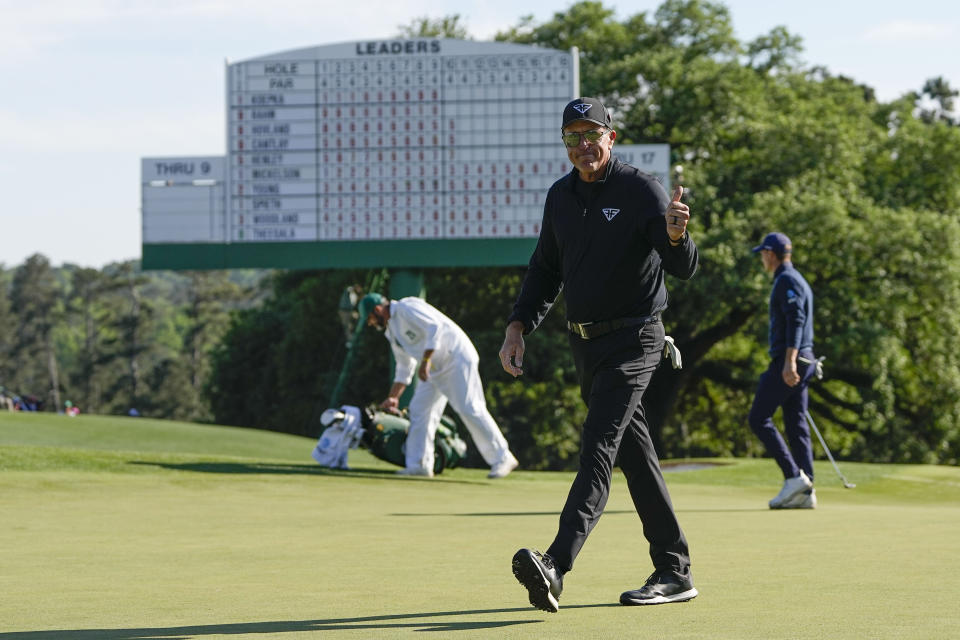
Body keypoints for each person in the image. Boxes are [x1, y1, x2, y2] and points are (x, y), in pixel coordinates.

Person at [498, 97, 699, 612]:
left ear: (611, 137)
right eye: (573, 137)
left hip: (635, 340)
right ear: (565, 144)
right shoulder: (560, 197)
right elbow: (545, 269)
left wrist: (677, 236)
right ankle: (674, 571)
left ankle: (557, 564)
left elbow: (681, 265)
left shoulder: (639, 190)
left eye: (592, 135)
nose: (583, 145)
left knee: (599, 446)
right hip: (586, 344)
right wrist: (518, 326)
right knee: (635, 454)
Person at [357, 292, 519, 479]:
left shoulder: (406, 307)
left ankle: (502, 457)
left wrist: (425, 361)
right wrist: (394, 396)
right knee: (419, 410)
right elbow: (404, 366)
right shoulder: (391, 332)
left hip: (455, 358)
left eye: (369, 318)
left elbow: (435, 327)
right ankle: (420, 465)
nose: (370, 323)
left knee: (470, 408)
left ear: (377, 310)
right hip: (434, 369)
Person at [748, 232, 818, 509]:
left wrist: (789, 361)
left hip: (791, 360)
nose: (762, 259)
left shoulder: (786, 280)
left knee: (758, 418)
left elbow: (796, 321)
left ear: (770, 254)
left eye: (763, 254)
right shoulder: (795, 277)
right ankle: (805, 488)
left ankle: (794, 477)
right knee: (795, 421)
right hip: (805, 359)